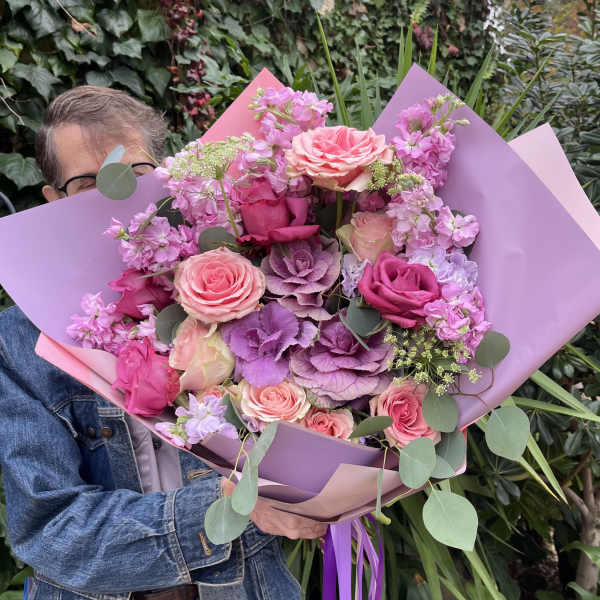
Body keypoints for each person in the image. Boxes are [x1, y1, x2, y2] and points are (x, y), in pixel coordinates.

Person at [0, 86, 326, 600]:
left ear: (169, 174)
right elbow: (50, 530)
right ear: (53, 200)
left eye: (135, 173)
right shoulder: (20, 341)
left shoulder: (240, 286)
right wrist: (227, 504)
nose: (115, 195)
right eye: (87, 183)